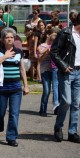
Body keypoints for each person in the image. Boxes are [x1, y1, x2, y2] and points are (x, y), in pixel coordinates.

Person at [0, 27, 30, 147]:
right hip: (2, 87)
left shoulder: (19, 51)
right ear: (3, 39)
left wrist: (26, 85)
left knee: (14, 113)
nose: (9, 39)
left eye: (11, 37)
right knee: (0, 112)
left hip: (16, 88)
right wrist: (5, 56)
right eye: (7, 37)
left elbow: (22, 69)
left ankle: (11, 137)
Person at [51, 13, 80, 143]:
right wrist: (63, 66)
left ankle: (72, 132)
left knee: (76, 103)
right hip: (67, 72)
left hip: (79, 72)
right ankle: (58, 127)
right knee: (66, 101)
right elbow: (54, 51)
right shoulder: (66, 33)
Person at [37, 28, 59, 117]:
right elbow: (40, 60)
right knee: (46, 91)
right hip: (45, 70)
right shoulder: (42, 46)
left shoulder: (56, 45)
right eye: (53, 34)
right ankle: (43, 109)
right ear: (48, 35)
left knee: (56, 89)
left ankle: (56, 108)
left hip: (54, 70)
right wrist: (47, 53)